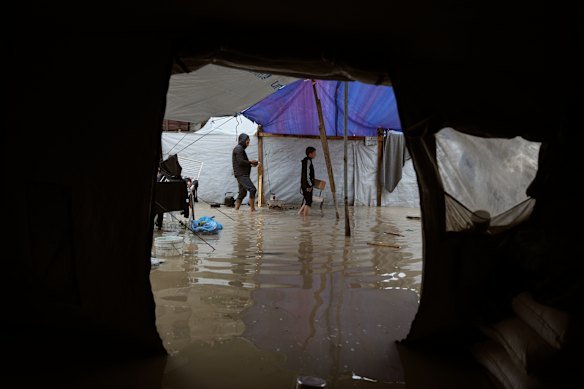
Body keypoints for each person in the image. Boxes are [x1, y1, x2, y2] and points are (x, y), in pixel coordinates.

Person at [232, 133, 259, 212]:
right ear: (243, 140)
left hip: (241, 174)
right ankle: (252, 210)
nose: (248, 144)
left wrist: (250, 164)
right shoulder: (238, 149)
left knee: (242, 193)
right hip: (241, 174)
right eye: (247, 142)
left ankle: (236, 210)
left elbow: (242, 162)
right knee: (252, 189)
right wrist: (250, 162)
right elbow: (240, 162)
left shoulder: (240, 149)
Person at [298, 146, 317, 217]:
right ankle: (305, 220)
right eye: (314, 153)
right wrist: (309, 185)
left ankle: (299, 215)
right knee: (308, 202)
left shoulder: (306, 160)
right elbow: (307, 174)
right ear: (310, 154)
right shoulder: (308, 161)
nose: (315, 154)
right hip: (307, 185)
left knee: (307, 201)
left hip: (305, 184)